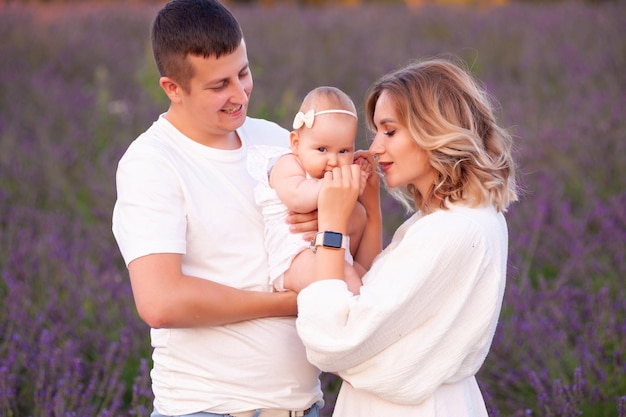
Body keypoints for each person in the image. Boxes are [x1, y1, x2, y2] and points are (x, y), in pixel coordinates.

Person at [111, 1, 322, 416]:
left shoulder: (275, 140)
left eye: (243, 73)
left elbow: (333, 230)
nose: (239, 94)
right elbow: (161, 301)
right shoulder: (152, 163)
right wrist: (288, 302)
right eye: (218, 85)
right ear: (173, 88)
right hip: (207, 409)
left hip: (301, 406)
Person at [294, 58, 519, 416]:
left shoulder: (449, 231)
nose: (376, 147)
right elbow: (373, 299)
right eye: (376, 132)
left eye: (390, 131)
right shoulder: (454, 219)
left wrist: (332, 230)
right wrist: (366, 208)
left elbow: (336, 343)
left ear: (434, 129)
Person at [247, 86, 381, 294]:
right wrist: (336, 186)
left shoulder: (331, 178)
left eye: (344, 150)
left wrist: (360, 181)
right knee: (346, 283)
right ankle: (357, 320)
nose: (333, 161)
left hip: (335, 252)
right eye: (322, 150)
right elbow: (297, 196)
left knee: (369, 279)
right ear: (296, 143)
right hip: (296, 258)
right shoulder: (287, 164)